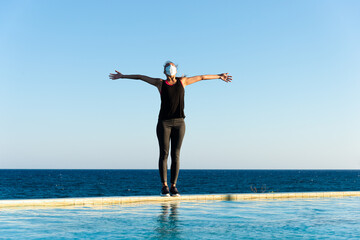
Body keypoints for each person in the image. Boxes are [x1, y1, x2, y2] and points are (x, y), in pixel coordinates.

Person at [109, 61, 232, 196]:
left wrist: (219, 76)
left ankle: (173, 186)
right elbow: (140, 77)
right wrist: (123, 76)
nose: (170, 68)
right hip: (164, 123)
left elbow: (202, 77)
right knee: (164, 154)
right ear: (165, 71)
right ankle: (164, 186)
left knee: (176, 154)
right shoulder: (160, 83)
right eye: (168, 66)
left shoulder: (183, 82)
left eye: (172, 66)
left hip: (180, 123)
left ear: (175, 70)